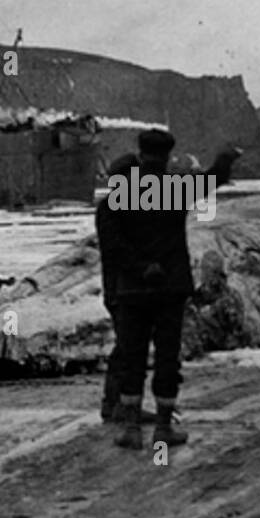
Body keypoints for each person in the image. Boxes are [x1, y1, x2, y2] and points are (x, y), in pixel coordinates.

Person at [100, 129, 241, 450]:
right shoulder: (176, 188)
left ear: (140, 154)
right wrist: (226, 157)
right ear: (166, 156)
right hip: (170, 288)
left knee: (133, 356)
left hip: (132, 291)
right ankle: (164, 427)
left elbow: (112, 244)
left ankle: (131, 427)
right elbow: (214, 178)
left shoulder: (120, 193)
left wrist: (137, 270)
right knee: (167, 356)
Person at [95, 153, 154, 426]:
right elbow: (118, 250)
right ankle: (119, 405)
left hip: (128, 289)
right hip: (123, 291)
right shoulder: (113, 209)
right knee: (129, 348)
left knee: (128, 346)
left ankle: (117, 403)